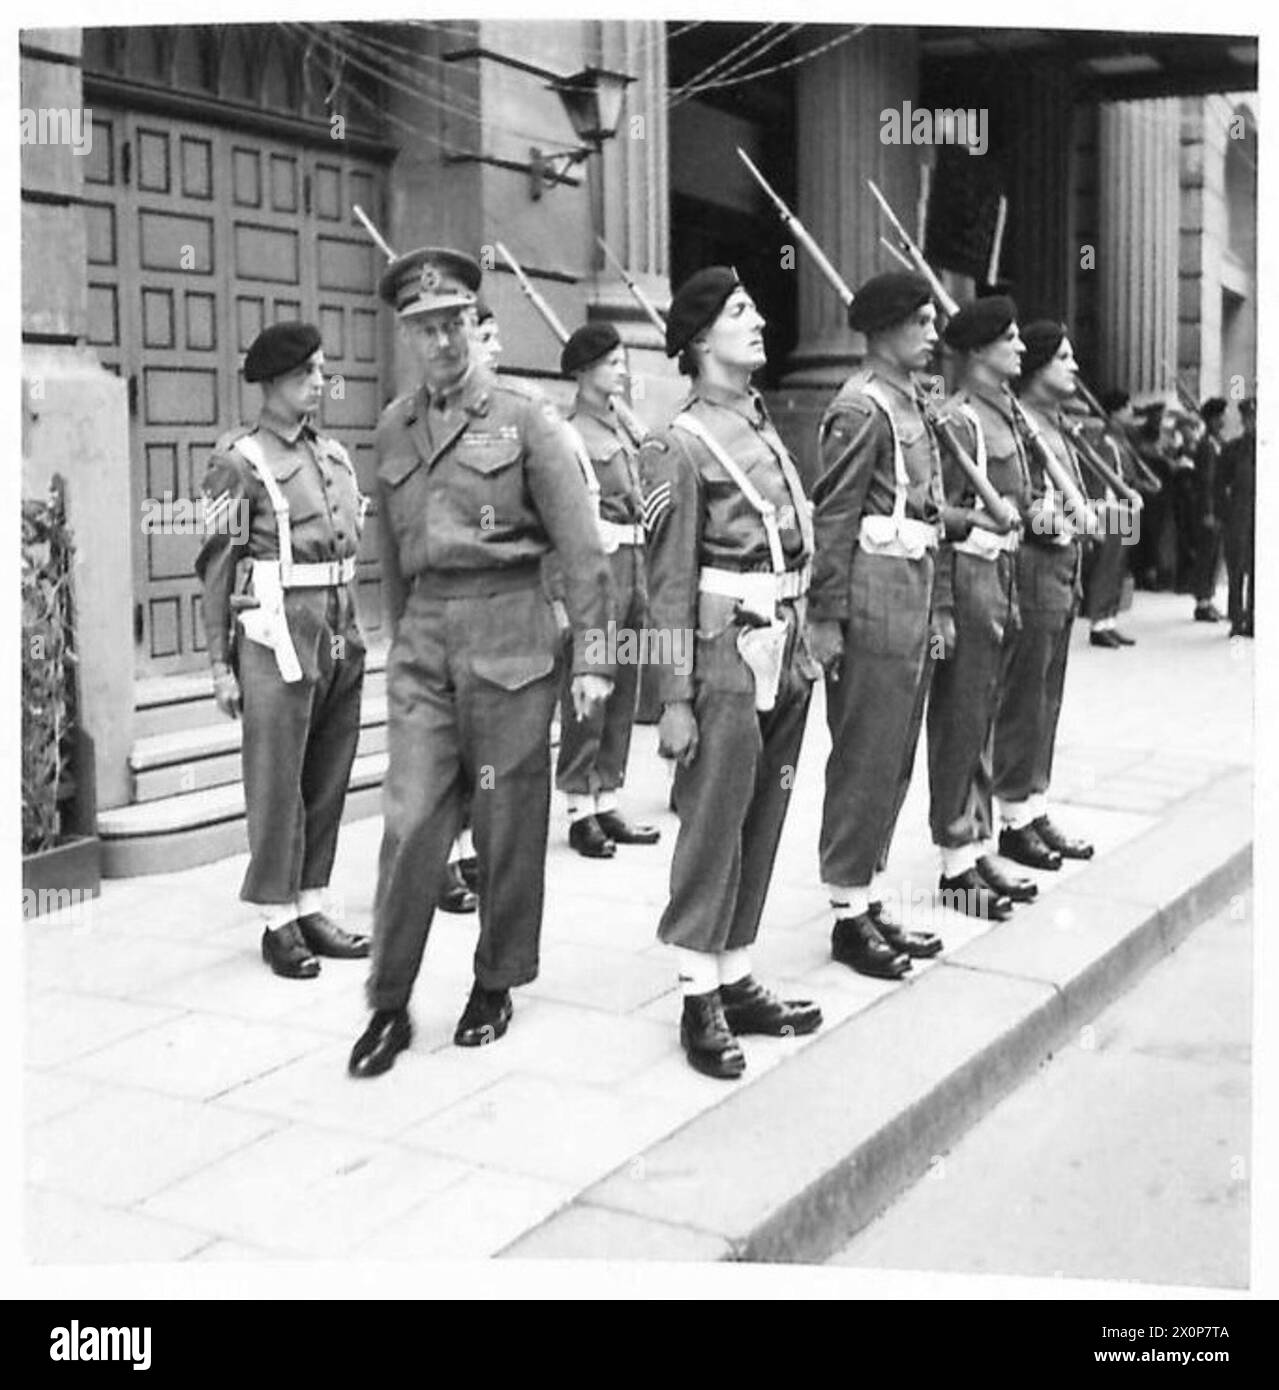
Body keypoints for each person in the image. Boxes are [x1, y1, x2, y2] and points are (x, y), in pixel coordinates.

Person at [348, 247, 614, 1078]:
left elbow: (583, 550)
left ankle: (495, 981)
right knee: (410, 821)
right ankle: (388, 1003)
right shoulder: (394, 424)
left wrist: (595, 661)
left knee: (506, 823)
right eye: (423, 329)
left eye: (452, 322)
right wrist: (398, 642)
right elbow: (392, 547)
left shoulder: (526, 419)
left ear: (474, 324)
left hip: (509, 634)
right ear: (407, 336)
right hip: (427, 639)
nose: (440, 342)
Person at [639, 266, 822, 1080]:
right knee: (713, 820)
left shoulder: (756, 420)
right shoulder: (675, 444)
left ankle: (736, 971)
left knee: (763, 812)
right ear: (698, 340)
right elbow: (667, 585)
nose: (756, 322)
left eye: (751, 308)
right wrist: (672, 699)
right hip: (719, 655)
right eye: (737, 313)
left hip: (781, 643)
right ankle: (694, 992)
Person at [807, 272, 975, 977]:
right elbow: (836, 516)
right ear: (883, 330)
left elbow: (930, 518)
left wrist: (937, 606)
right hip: (872, 594)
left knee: (895, 753)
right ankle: (847, 914)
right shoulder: (860, 408)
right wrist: (825, 616)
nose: (934, 334)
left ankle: (866, 896)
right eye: (922, 322)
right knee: (865, 754)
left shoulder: (913, 406)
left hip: (910, 590)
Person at [195, 322, 371, 979]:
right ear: (269, 384)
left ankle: (312, 903)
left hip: (338, 632)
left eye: (322, 372)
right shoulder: (240, 461)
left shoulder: (335, 458)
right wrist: (220, 665)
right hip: (275, 636)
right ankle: (276, 920)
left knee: (326, 777)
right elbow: (217, 566)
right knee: (276, 782)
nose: (319, 383)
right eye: (305, 375)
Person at [927, 295, 1037, 918]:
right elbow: (938, 514)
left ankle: (976, 841)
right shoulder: (960, 420)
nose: (1021, 349)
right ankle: (953, 858)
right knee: (960, 716)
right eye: (1011, 338)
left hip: (1001, 569)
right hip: (968, 572)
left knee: (986, 711)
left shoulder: (1003, 415)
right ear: (976, 352)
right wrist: (942, 602)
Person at [992, 321, 1095, 870]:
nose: (1073, 366)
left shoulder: (1054, 426)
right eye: (1063, 357)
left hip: (1062, 571)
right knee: (1024, 698)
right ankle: (1012, 816)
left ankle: (1034, 803)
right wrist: (1054, 521)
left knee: (1047, 698)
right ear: (1036, 370)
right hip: (1032, 570)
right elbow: (1012, 499)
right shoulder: (1018, 427)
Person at [554, 321, 660, 858]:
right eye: (612, 361)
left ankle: (607, 795)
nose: (623, 369)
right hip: (600, 568)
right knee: (591, 687)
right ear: (583, 370)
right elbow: (565, 524)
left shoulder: (626, 428)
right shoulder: (569, 434)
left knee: (625, 686)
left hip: (637, 566)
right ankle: (578, 805)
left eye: (623, 360)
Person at [1217, 397, 1255, 637]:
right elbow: (1219, 485)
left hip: (1261, 519)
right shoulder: (1232, 450)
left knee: (1259, 570)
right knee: (1236, 569)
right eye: (1249, 419)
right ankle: (1236, 618)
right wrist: (1222, 514)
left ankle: (1254, 618)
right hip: (1238, 517)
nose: (1252, 423)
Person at [1191, 397, 1228, 623]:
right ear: (1212, 419)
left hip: (1218, 506)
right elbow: (1207, 482)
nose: (1223, 420)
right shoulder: (1206, 446)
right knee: (1207, 555)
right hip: (1209, 508)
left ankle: (1208, 597)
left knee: (1215, 555)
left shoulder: (1217, 442)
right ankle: (1202, 602)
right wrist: (1209, 511)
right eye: (1220, 416)